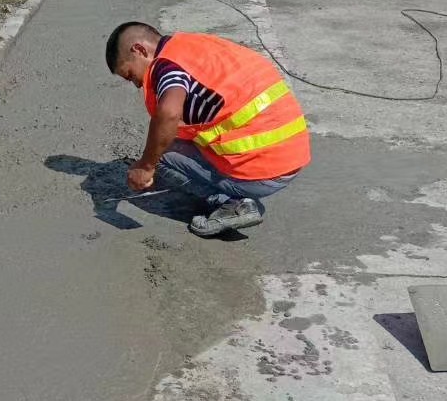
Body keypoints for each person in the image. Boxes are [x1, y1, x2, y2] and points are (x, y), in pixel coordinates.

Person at [105, 21, 309, 238]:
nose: (136, 83)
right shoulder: (191, 46)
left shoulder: (166, 67)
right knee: (171, 140)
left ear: (140, 50)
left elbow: (169, 113)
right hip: (292, 150)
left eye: (129, 74)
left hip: (266, 169)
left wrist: (146, 166)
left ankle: (234, 203)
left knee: (161, 155)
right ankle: (239, 190)